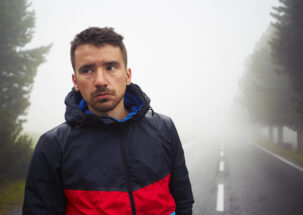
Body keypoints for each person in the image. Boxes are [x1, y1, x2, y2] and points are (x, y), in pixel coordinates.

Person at [23, 27, 194, 215]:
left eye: (111, 67)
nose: (100, 80)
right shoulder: (53, 146)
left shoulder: (164, 128)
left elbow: (183, 201)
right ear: (75, 81)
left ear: (128, 75)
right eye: (87, 70)